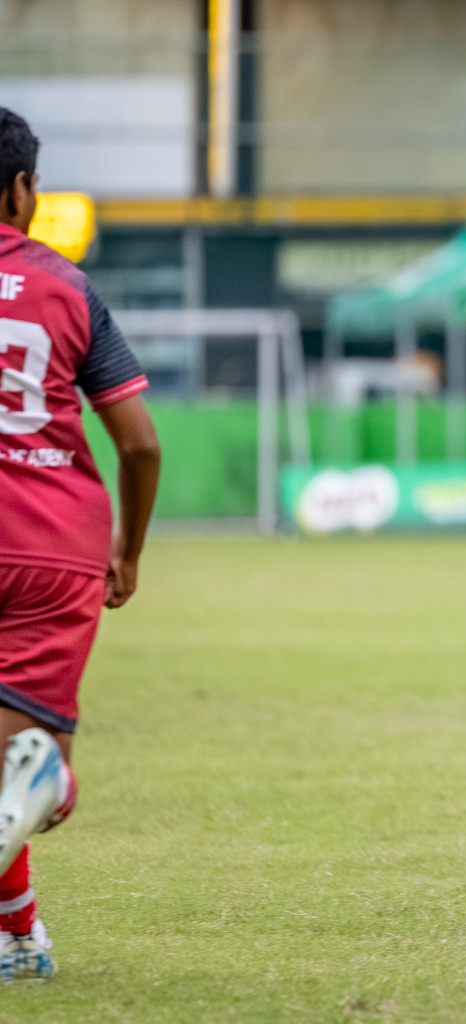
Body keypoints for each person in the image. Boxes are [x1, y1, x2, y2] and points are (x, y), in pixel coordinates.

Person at [0, 108, 161, 980]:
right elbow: (139, 443)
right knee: (27, 781)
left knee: (9, 780)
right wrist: (128, 549)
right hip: (54, 543)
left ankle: (21, 934)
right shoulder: (65, 286)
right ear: (23, 188)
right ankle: (21, 939)